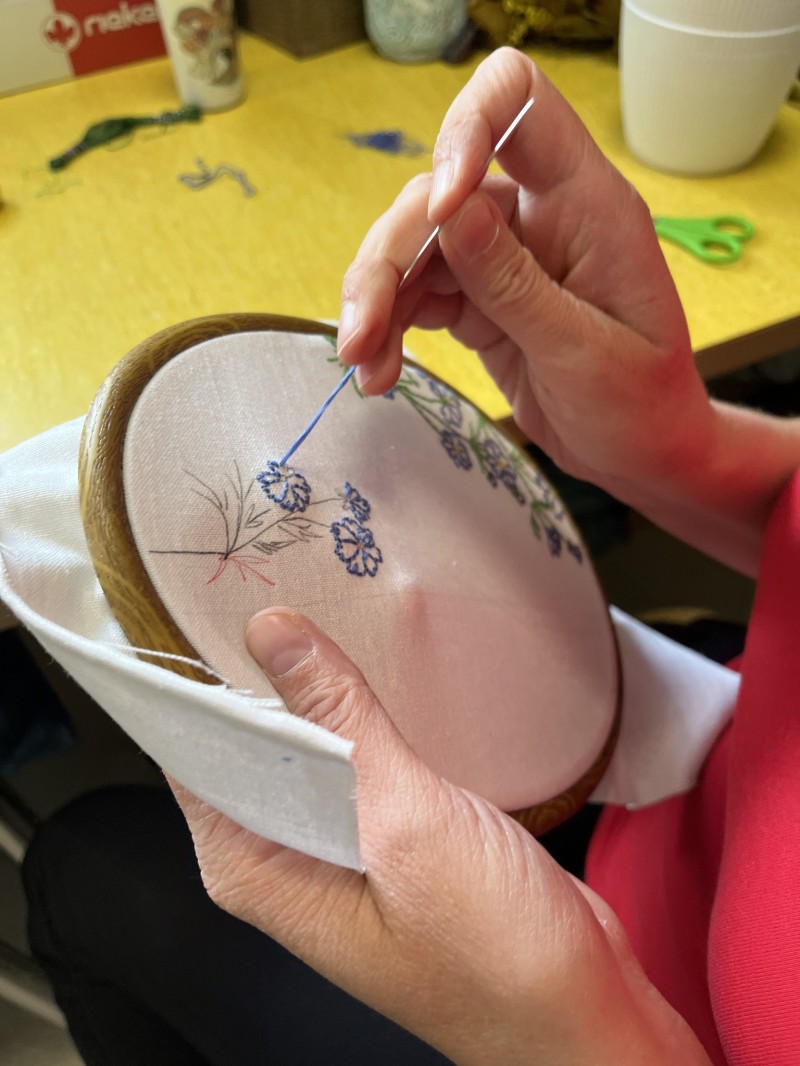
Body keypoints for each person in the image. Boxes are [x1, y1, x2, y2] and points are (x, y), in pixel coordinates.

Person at [23, 47, 800, 1065]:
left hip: (611, 1009)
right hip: (705, 778)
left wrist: (568, 1035)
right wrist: (680, 447)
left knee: (83, 866)